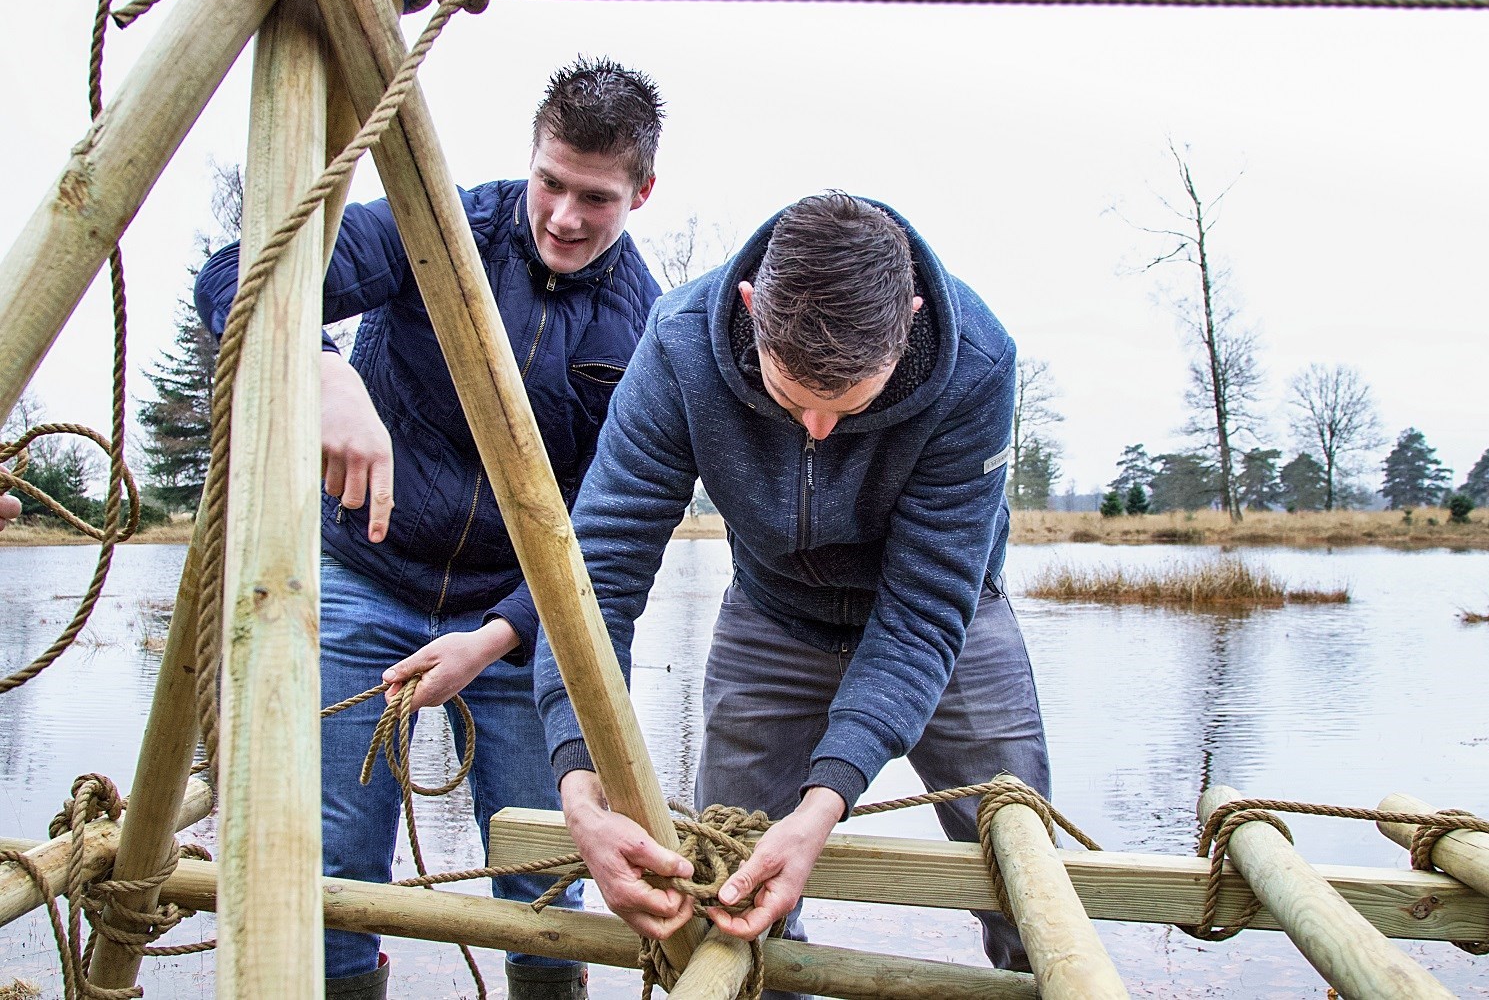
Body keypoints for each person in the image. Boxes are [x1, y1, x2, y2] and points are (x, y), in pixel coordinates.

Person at [196, 57, 665, 1000]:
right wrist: (321, 367)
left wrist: (495, 638)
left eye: (597, 198)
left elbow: (606, 539)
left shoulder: (643, 325)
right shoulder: (439, 228)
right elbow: (232, 275)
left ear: (643, 192)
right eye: (551, 182)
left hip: (510, 620)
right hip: (364, 573)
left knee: (542, 869)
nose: (565, 216)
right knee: (332, 856)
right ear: (530, 159)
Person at [528, 190, 1052, 996]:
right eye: (789, 394)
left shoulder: (977, 365)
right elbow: (596, 572)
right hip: (774, 616)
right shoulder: (679, 346)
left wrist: (822, 806)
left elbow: (920, 617)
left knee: (1028, 884)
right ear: (749, 309)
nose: (813, 429)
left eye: (848, 405)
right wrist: (577, 775)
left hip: (949, 622)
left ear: (908, 320)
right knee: (733, 889)